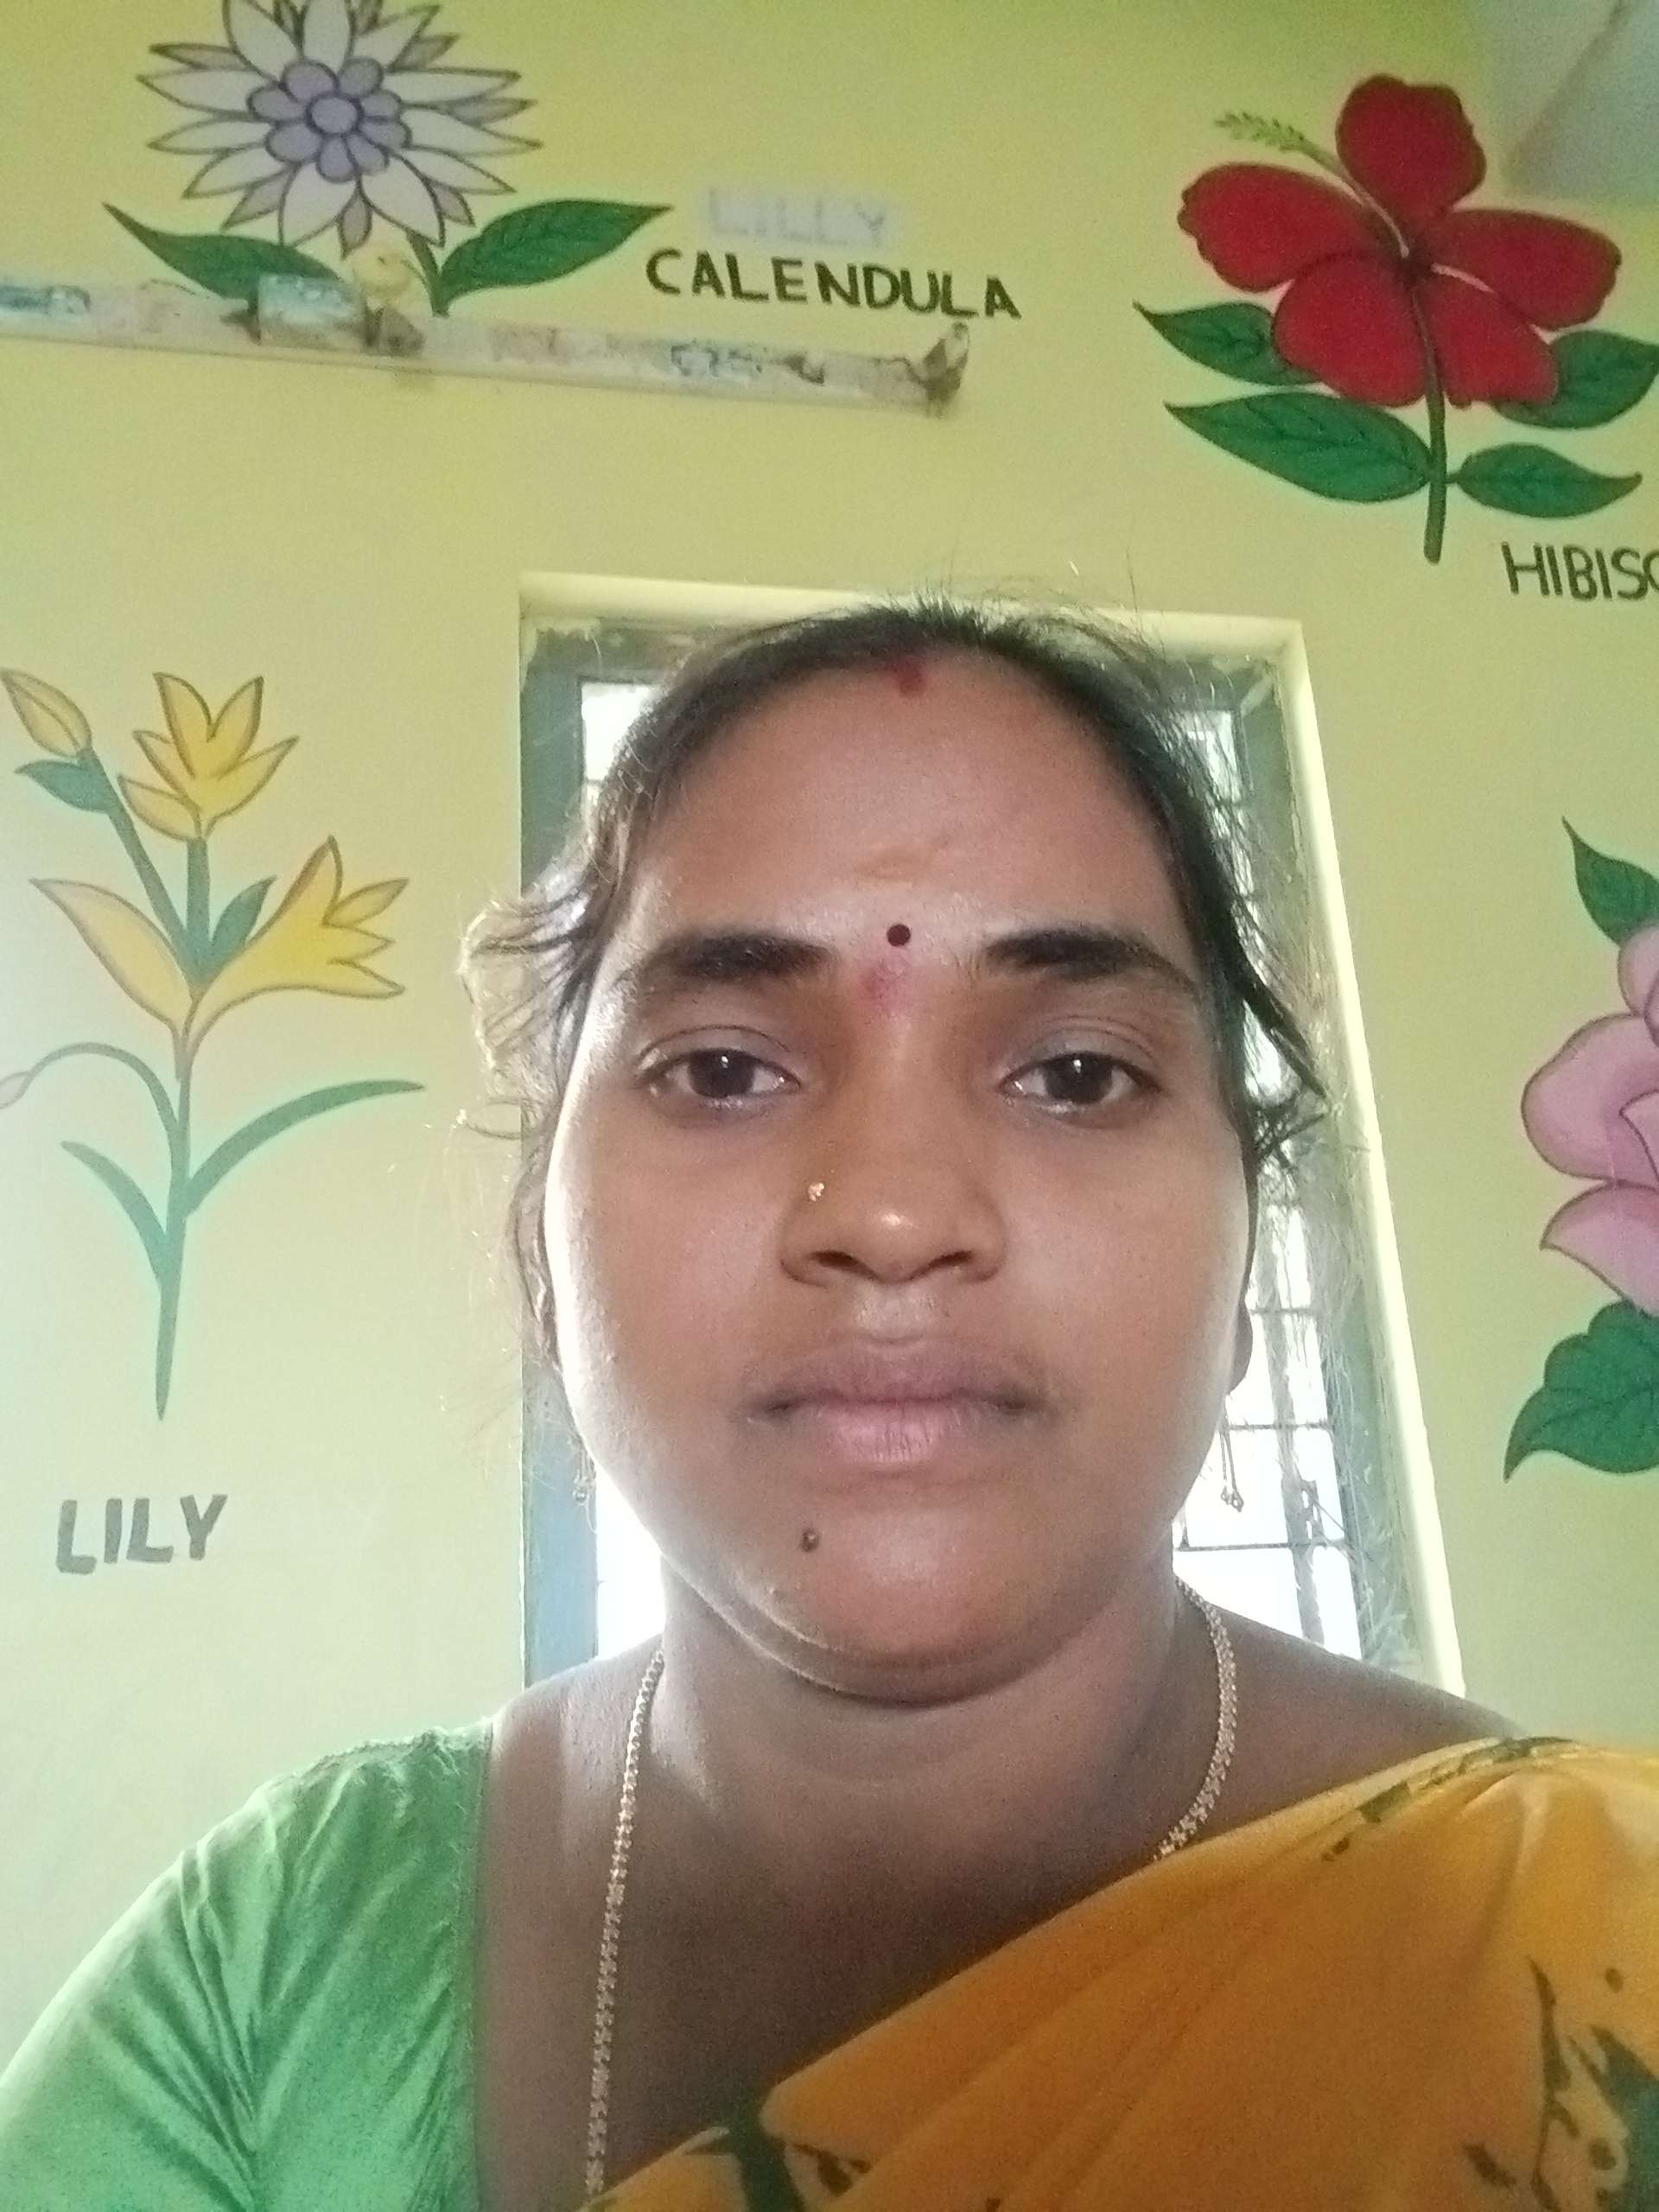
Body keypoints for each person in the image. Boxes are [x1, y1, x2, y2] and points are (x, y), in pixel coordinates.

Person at [1, 596, 1654, 2212]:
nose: (892, 1211)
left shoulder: (1585, 1944)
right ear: (540, 1248)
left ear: (1248, 1256)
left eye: (1078, 1074)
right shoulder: (274, 1978)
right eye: (723, 1069)